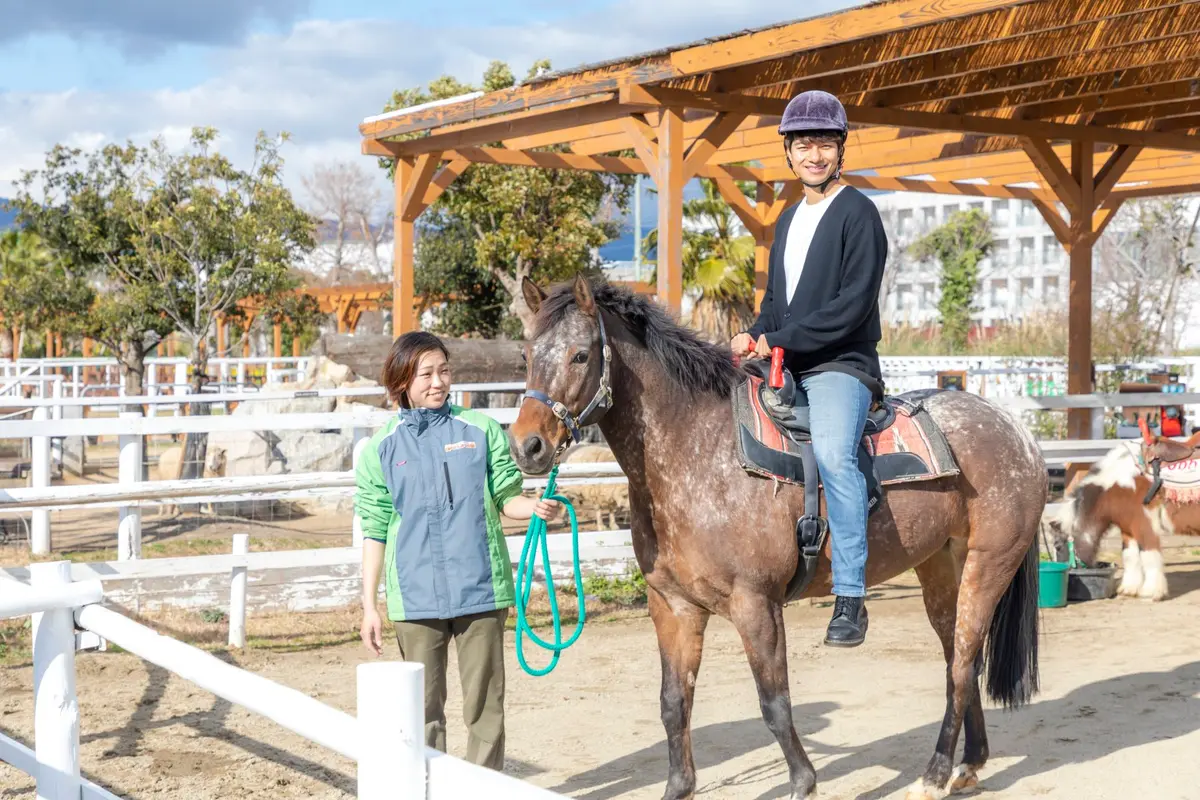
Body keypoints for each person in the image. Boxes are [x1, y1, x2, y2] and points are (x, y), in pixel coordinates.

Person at [356, 331, 560, 770]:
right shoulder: (381, 448)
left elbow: (507, 497)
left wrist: (535, 507)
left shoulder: (481, 430)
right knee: (423, 713)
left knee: (486, 710)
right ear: (401, 380)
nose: (438, 382)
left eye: (444, 371)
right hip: (414, 598)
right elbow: (374, 529)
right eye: (426, 373)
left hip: (481, 590)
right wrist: (369, 605)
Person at [730, 90, 888, 648]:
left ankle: (850, 596)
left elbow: (851, 306)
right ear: (790, 154)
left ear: (839, 149)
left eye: (824, 143)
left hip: (839, 364)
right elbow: (777, 302)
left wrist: (779, 338)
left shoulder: (859, 213)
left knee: (834, 456)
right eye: (803, 145)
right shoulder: (789, 218)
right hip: (784, 359)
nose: (814, 155)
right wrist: (754, 331)